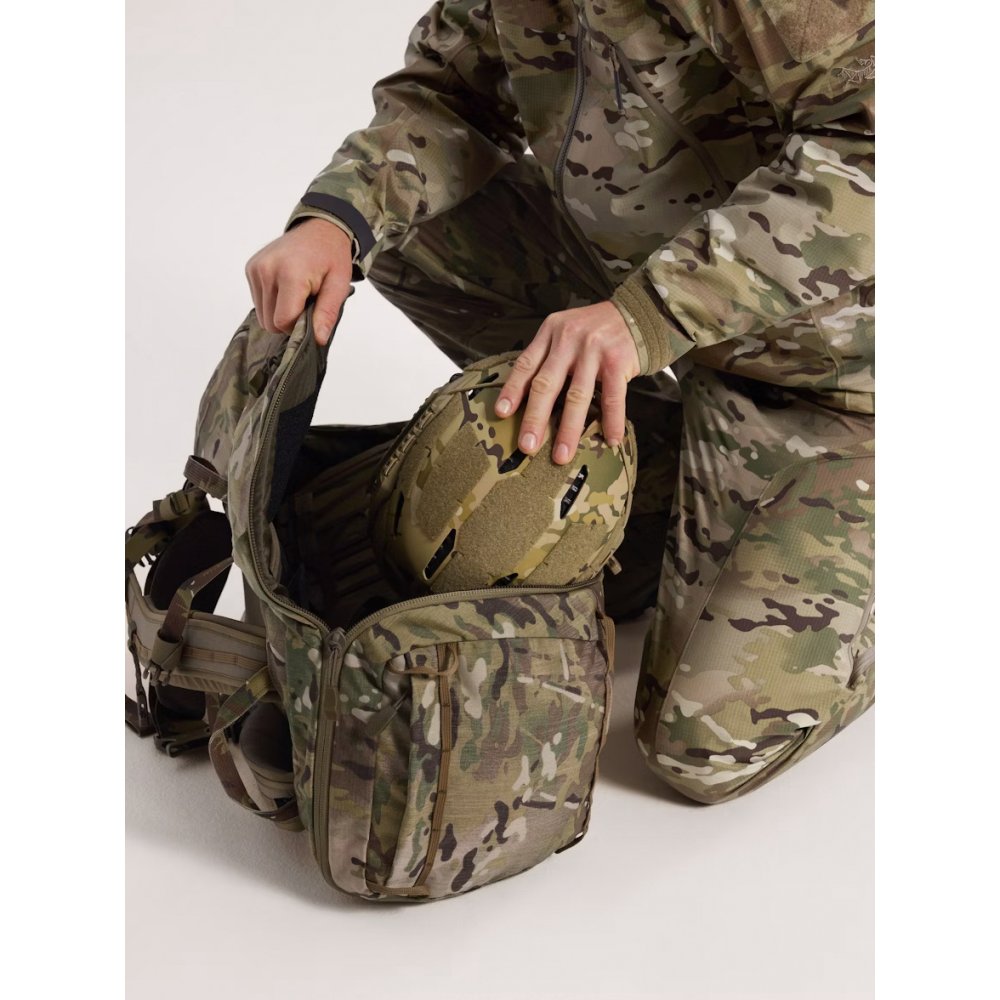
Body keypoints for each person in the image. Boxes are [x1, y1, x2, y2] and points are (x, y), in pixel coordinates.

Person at [244, 0, 875, 804]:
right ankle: (667, 459)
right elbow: (450, 94)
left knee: (705, 747)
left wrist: (654, 315)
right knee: (398, 229)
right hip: (656, 308)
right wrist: (335, 219)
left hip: (831, 374)